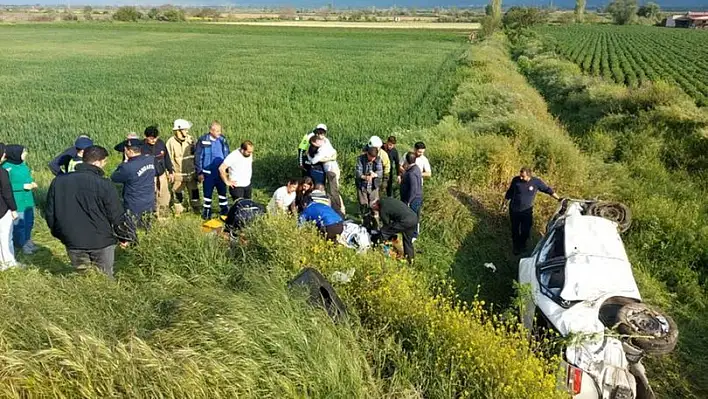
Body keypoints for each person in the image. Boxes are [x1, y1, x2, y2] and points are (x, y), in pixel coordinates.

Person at [45, 146, 125, 277]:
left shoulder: (58, 182)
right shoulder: (104, 184)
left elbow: (50, 214)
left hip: (72, 240)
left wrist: (61, 235)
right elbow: (116, 214)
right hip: (101, 242)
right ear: (97, 162)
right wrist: (122, 236)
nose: (104, 166)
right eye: (104, 162)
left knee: (83, 278)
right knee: (105, 279)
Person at [502, 167, 561, 255]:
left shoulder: (536, 182)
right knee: (515, 229)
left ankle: (522, 244)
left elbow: (547, 190)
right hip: (514, 210)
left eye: (523, 176)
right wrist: (504, 203)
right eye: (520, 176)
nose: (521, 178)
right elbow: (510, 192)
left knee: (526, 230)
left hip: (526, 211)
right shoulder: (516, 180)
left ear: (529, 176)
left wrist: (559, 198)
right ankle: (516, 247)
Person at [111, 138, 156, 224]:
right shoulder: (150, 159)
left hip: (134, 204)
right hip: (149, 201)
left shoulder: (127, 167)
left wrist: (124, 162)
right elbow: (158, 171)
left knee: (132, 229)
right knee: (148, 227)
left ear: (128, 151)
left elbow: (114, 177)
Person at [2, 145, 38, 255]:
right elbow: (5, 186)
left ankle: (27, 240)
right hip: (18, 201)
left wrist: (32, 183)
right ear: (15, 154)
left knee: (29, 221)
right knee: (20, 225)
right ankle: (21, 244)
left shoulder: (23, 165)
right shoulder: (6, 167)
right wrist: (22, 186)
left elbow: (27, 178)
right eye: (23, 152)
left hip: (28, 200)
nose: (25, 154)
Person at [195, 121, 230, 220]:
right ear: (211, 131)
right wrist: (199, 172)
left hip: (220, 172)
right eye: (217, 131)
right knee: (207, 194)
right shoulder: (203, 140)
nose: (219, 133)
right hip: (208, 173)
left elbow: (227, 154)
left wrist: (227, 169)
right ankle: (206, 212)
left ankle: (224, 211)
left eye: (220, 130)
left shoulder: (222, 140)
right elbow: (198, 157)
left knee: (222, 193)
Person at [166, 119, 200, 215]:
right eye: (185, 129)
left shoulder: (191, 140)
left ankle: (196, 210)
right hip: (178, 176)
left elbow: (196, 156)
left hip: (191, 175)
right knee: (178, 195)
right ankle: (178, 212)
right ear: (179, 130)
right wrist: (169, 173)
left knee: (194, 193)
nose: (187, 131)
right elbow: (167, 160)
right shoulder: (170, 143)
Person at [308, 134, 344, 216]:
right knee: (333, 190)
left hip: (330, 171)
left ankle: (338, 210)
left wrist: (308, 156)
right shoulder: (326, 142)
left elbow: (313, 161)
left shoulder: (321, 150)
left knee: (333, 191)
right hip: (332, 169)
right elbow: (334, 152)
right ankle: (338, 209)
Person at [372, 197, 418, 262]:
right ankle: (410, 260)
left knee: (384, 231)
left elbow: (386, 224)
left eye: (375, 209)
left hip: (405, 221)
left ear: (376, 205)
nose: (376, 211)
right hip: (414, 218)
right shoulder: (387, 199)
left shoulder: (382, 208)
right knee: (408, 241)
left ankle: (377, 247)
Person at [142, 126, 174, 218]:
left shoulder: (161, 143)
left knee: (164, 196)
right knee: (151, 197)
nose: (154, 140)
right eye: (151, 138)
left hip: (161, 175)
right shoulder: (141, 147)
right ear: (146, 137)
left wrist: (170, 171)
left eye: (155, 138)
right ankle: (151, 215)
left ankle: (163, 215)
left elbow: (167, 158)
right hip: (149, 177)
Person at [0, 144, 18, 270]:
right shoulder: (2, 172)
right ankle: (8, 263)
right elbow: (7, 192)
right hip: (2, 209)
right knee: (6, 236)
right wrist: (13, 209)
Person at [355, 146, 383, 229]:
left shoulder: (378, 160)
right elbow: (358, 172)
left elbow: (380, 172)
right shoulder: (360, 159)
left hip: (373, 186)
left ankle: (376, 225)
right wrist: (365, 177)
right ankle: (366, 224)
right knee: (364, 205)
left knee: (374, 206)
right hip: (362, 185)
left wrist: (374, 175)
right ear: (367, 153)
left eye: (373, 158)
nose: (372, 159)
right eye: (370, 157)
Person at [400, 151, 423, 240]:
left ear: (406, 160)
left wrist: (409, 201)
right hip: (417, 197)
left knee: (412, 217)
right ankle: (413, 233)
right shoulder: (416, 168)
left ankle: (412, 235)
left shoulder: (411, 173)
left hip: (413, 199)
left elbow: (413, 189)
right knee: (415, 216)